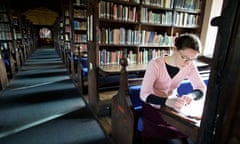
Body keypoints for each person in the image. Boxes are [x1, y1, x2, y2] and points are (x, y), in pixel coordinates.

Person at [140, 34, 207, 144]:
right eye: (184, 57)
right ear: (175, 49)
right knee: (181, 134)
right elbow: (144, 94)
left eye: (192, 59)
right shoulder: (155, 64)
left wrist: (191, 96)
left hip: (173, 107)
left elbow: (201, 88)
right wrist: (166, 101)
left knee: (191, 132)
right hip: (153, 106)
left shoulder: (190, 65)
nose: (187, 63)